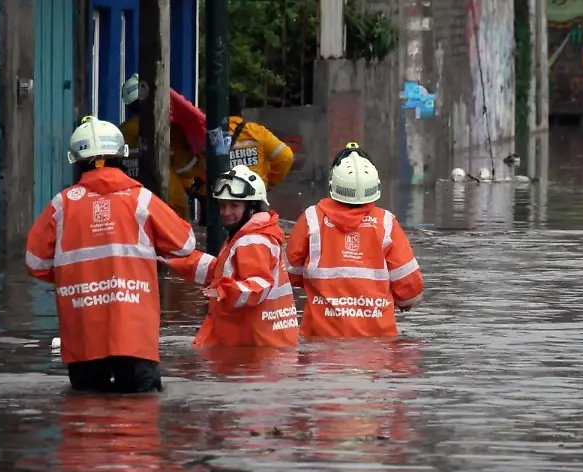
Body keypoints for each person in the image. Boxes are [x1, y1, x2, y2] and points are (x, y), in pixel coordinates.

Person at [25, 115, 211, 393]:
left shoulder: (61, 206)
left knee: (85, 419)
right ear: (122, 155)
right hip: (135, 337)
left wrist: (77, 278)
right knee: (139, 418)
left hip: (83, 337)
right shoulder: (141, 199)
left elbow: (35, 262)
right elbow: (184, 243)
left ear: (75, 160)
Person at [285, 143, 424, 338]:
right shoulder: (386, 223)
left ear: (333, 183)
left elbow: (290, 274)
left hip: (321, 341)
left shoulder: (311, 219)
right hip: (378, 344)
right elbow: (410, 290)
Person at [164, 164, 299, 347]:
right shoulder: (252, 235)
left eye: (234, 206)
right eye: (223, 205)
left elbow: (258, 286)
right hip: (264, 346)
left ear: (252, 208)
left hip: (255, 350)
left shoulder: (252, 240)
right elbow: (221, 271)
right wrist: (176, 259)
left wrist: (224, 291)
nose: (226, 213)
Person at [119, 74, 205, 220]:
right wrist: (204, 161)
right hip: (169, 207)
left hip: (128, 206)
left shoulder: (119, 134)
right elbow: (184, 165)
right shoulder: (167, 131)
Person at [227, 93, 294, 189]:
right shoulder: (256, 131)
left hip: (221, 192)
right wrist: (269, 181)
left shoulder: (210, 134)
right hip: (254, 192)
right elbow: (286, 156)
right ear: (241, 112)